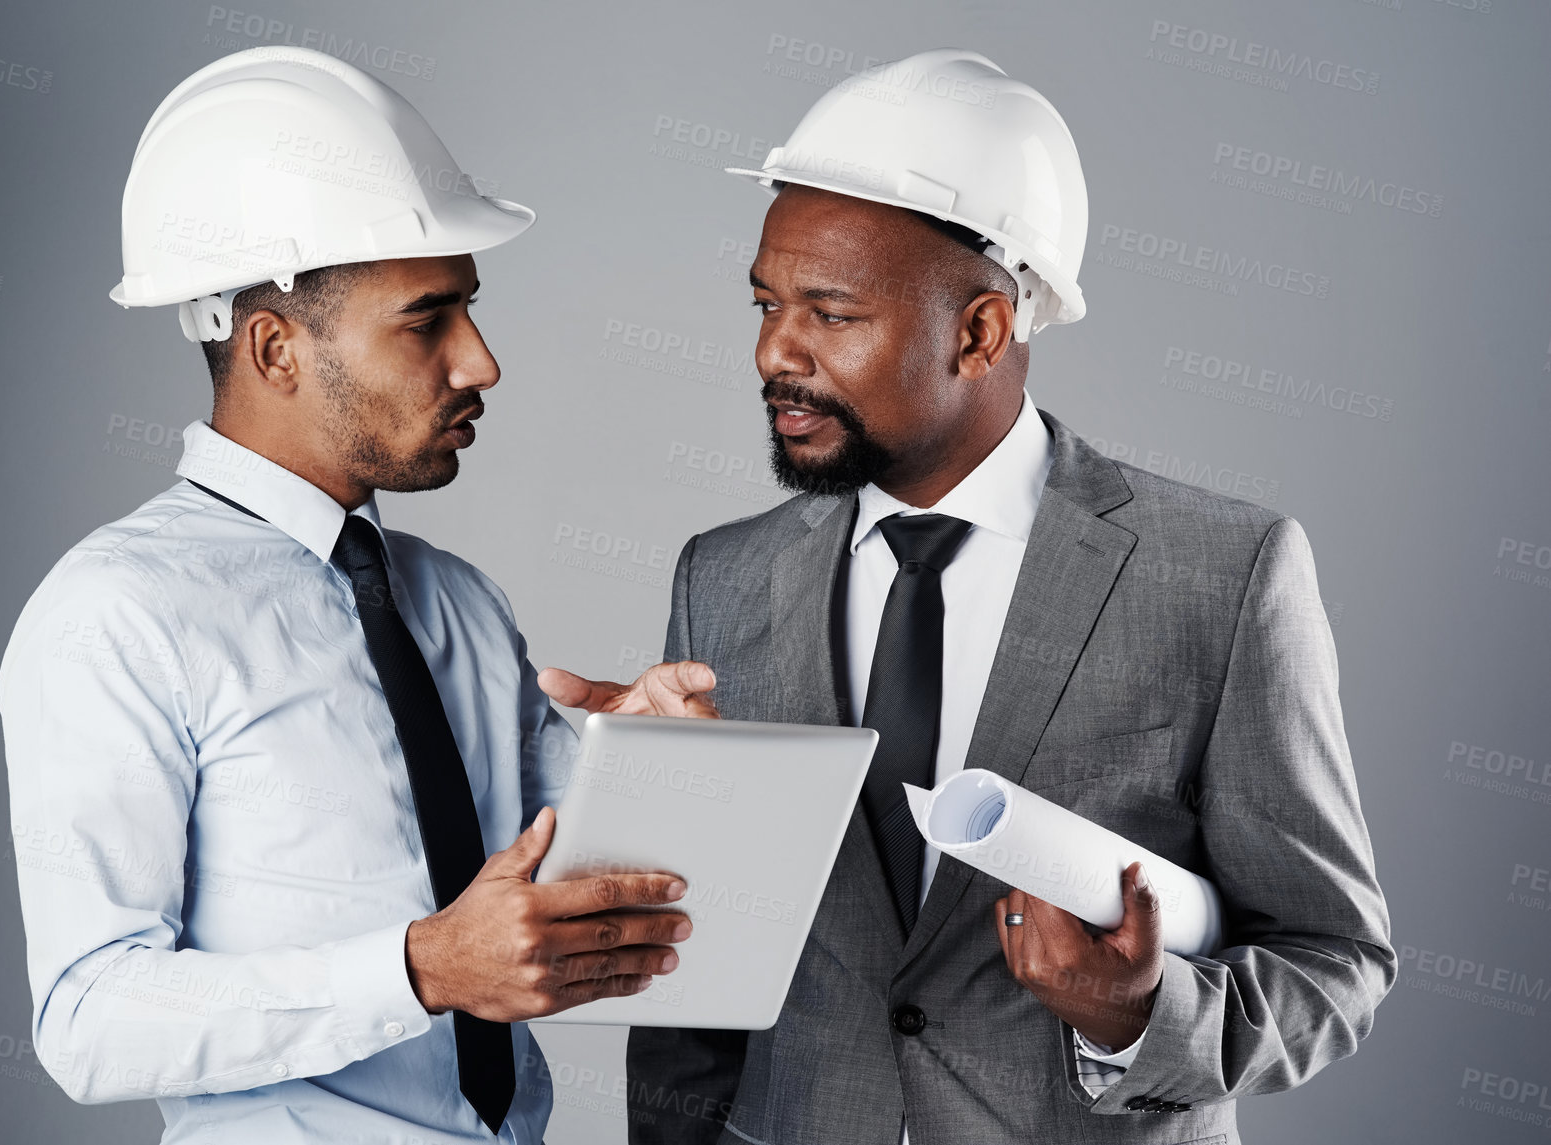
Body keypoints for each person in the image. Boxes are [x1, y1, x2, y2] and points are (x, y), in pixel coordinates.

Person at [577, 49, 1394, 1145]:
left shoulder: (1224, 572)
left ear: (981, 330)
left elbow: (1334, 959)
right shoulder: (722, 576)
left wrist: (1139, 1017)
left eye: (832, 313)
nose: (775, 349)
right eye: (768, 302)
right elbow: (694, 998)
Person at [0, 47, 715, 1144]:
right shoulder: (118, 614)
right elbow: (88, 1018)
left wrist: (658, 766)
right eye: (428, 320)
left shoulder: (460, 605)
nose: (482, 362)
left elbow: (566, 904)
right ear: (276, 348)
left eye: (470, 310)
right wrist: (419, 968)